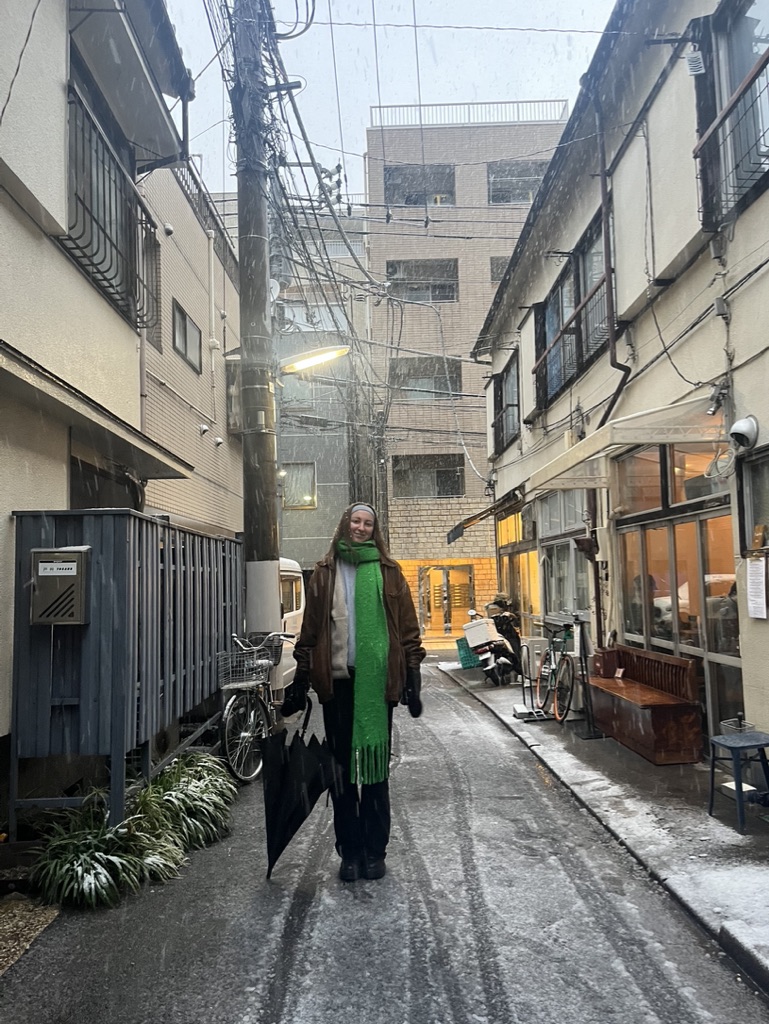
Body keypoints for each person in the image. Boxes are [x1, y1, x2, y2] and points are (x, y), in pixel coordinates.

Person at [280, 502, 425, 882]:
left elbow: (408, 629)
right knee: (342, 773)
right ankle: (350, 851)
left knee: (375, 773)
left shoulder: (389, 572)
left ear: (375, 529)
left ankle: (375, 851)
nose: (361, 527)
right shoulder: (325, 572)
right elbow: (311, 633)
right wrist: (300, 681)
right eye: (355, 521)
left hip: (377, 684)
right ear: (345, 524)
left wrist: (412, 676)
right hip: (338, 685)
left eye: (367, 523)